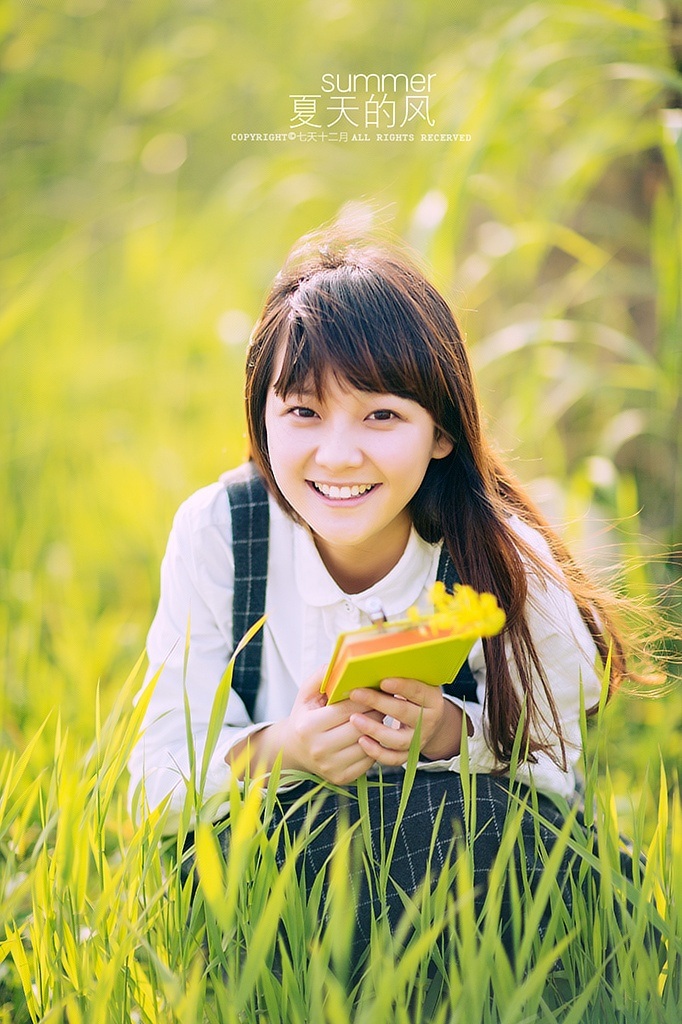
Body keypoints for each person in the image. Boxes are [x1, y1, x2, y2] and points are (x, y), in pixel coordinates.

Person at [128, 228, 628, 960]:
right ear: (261, 421)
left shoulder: (501, 555)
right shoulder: (222, 533)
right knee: (288, 847)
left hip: (473, 879)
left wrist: (449, 736)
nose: (337, 454)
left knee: (456, 832)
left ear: (441, 433)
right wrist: (283, 750)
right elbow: (153, 782)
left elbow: (558, 767)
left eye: (381, 415)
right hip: (285, 873)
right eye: (302, 412)